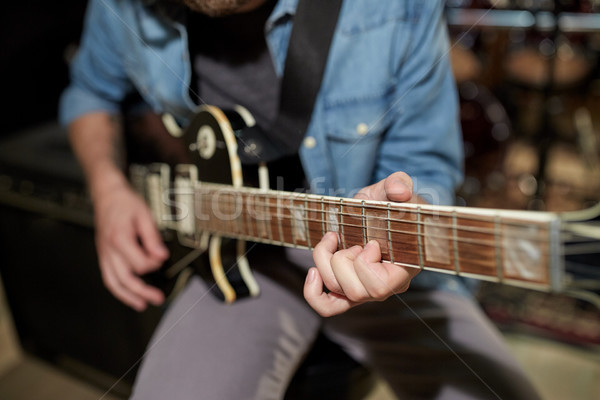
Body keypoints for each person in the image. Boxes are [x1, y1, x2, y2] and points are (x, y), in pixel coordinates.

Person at [59, 0, 542, 398]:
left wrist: (403, 209)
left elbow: (427, 167)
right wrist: (108, 187)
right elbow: (88, 92)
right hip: (230, 261)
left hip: (374, 255)